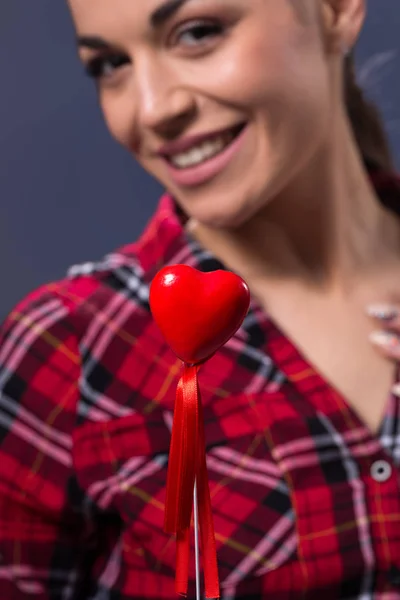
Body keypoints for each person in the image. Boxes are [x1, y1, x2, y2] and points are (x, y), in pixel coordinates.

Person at [1, 0, 400, 598]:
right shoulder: (70, 347)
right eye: (110, 65)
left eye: (197, 34)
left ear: (337, 9)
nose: (154, 108)